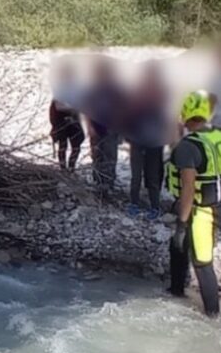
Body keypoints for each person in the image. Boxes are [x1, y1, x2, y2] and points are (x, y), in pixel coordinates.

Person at [166, 91, 221, 316]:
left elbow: (188, 189)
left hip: (202, 210)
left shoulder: (187, 147)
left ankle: (212, 316)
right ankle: (176, 289)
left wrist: (181, 223)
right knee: (176, 247)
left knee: (202, 262)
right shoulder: (218, 135)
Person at [124, 62, 170, 220]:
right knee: (136, 175)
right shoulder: (137, 93)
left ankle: (154, 206)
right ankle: (135, 203)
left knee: (152, 176)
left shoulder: (162, 93)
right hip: (140, 141)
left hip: (153, 142)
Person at [84, 58, 125, 196]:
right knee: (97, 156)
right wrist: (90, 128)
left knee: (110, 157)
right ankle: (98, 181)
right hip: (96, 129)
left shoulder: (116, 90)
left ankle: (108, 184)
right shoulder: (92, 90)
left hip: (110, 130)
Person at [49, 99, 84, 172]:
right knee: (63, 147)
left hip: (74, 127)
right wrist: (58, 125)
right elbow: (53, 114)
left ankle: (71, 166)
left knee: (76, 148)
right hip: (61, 126)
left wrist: (75, 120)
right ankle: (63, 168)